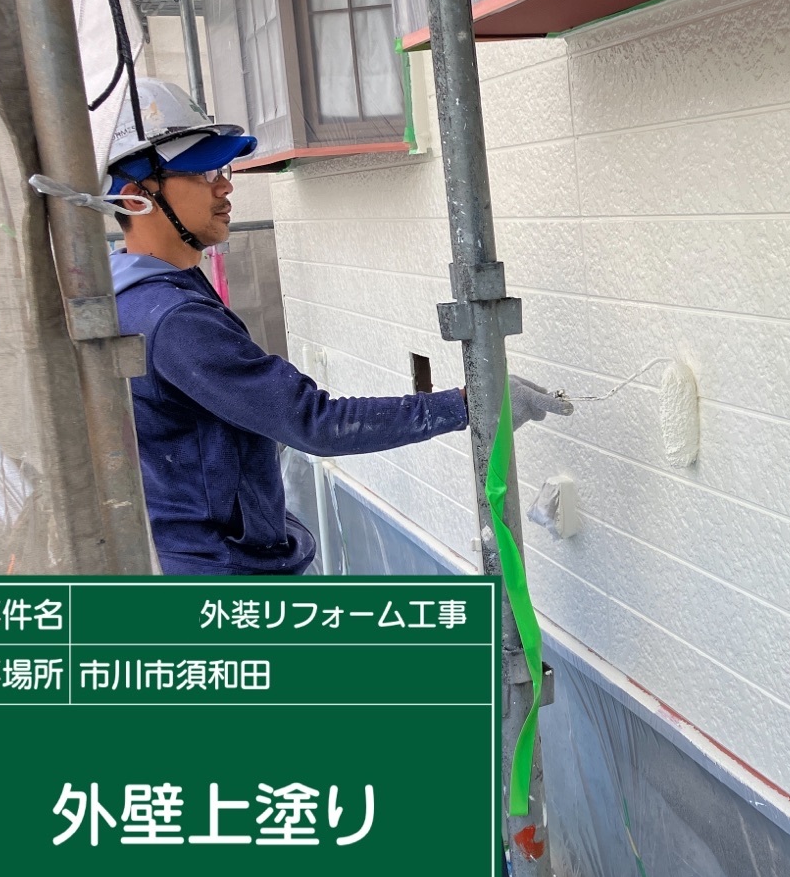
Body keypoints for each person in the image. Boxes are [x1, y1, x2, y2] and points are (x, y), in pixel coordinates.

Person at [105, 79, 569, 575]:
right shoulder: (173, 319)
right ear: (136, 198)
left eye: (221, 168)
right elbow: (315, 422)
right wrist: (471, 405)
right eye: (200, 172)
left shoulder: (135, 293)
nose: (225, 185)